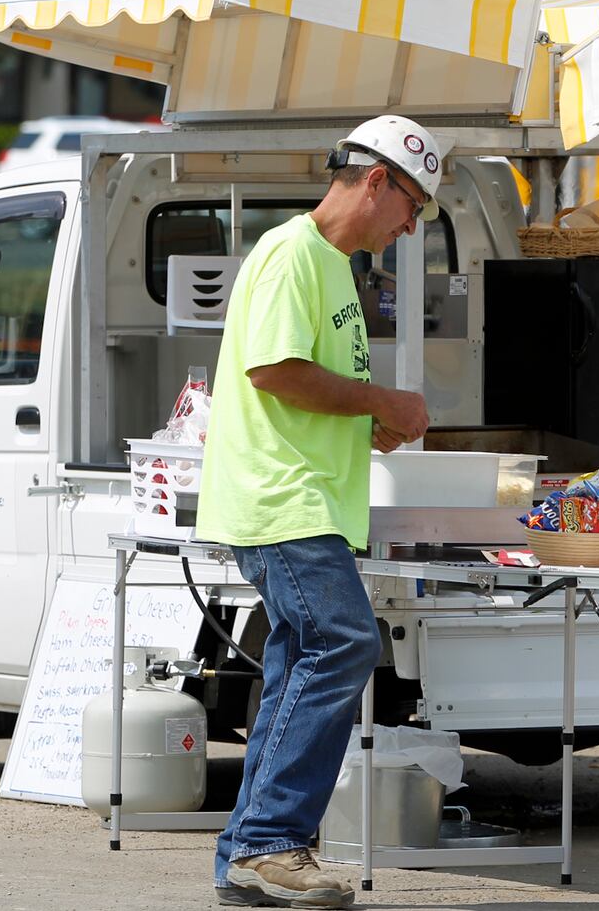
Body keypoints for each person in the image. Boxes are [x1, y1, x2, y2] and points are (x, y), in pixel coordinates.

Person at [197, 115, 442, 908]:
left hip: (303, 499)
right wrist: (382, 400)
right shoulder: (293, 253)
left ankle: (250, 854)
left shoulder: (333, 264)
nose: (412, 227)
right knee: (343, 644)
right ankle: (271, 841)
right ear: (377, 181)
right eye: (413, 207)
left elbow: (306, 381)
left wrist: (372, 423)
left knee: (302, 659)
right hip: (283, 498)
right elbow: (273, 370)